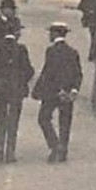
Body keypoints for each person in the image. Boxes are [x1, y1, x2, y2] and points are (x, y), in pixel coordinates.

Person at [33, 22, 83, 163]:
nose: (49, 35)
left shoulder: (51, 51)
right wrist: (73, 90)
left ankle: (55, 145)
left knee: (43, 118)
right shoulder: (73, 52)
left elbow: (49, 72)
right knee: (65, 122)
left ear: (55, 34)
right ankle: (63, 150)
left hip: (53, 92)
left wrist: (42, 89)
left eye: (51, 33)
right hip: (68, 94)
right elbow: (78, 73)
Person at [0, 29, 34, 163]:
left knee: (0, 119)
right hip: (16, 90)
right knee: (13, 120)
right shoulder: (21, 49)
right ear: (16, 34)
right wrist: (21, 80)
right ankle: (10, 151)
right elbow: (29, 70)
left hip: (0, 89)